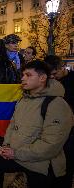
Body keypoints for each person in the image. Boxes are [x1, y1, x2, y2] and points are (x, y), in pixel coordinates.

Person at [0, 60, 73, 188]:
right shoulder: (24, 100)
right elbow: (12, 127)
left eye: (28, 75)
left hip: (38, 167)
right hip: (15, 158)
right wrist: (6, 146)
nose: (23, 78)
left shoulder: (56, 104)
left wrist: (15, 153)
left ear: (42, 78)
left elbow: (51, 145)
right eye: (23, 75)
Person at [45, 55, 74, 188]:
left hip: (70, 131)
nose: (52, 77)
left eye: (54, 73)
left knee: (67, 165)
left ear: (62, 68)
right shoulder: (50, 82)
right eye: (49, 75)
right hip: (54, 130)